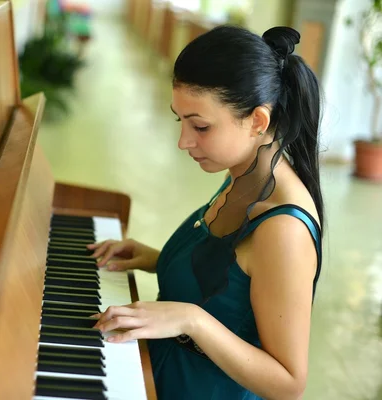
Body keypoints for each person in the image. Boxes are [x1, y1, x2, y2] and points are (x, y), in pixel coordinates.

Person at [89, 25, 323, 400]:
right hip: (163, 373)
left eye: (200, 126)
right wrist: (157, 259)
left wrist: (192, 320)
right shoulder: (243, 173)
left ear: (258, 121)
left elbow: (288, 383)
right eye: (179, 120)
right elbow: (232, 279)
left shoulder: (283, 229)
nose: (184, 141)